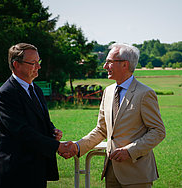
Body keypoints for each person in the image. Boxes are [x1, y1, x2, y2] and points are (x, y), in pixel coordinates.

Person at [63, 43, 166, 187]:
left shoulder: (145, 94)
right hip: (111, 173)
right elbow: (102, 129)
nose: (105, 66)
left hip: (137, 174)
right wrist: (78, 147)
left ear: (125, 64)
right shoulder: (108, 91)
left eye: (109, 62)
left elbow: (158, 131)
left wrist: (130, 151)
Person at [0, 43, 76, 188]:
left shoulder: (35, 89)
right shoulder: (6, 94)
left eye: (39, 62)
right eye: (33, 63)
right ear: (16, 65)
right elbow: (22, 132)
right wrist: (57, 146)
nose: (38, 67)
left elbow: (40, 120)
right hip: (15, 175)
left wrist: (52, 131)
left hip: (36, 171)